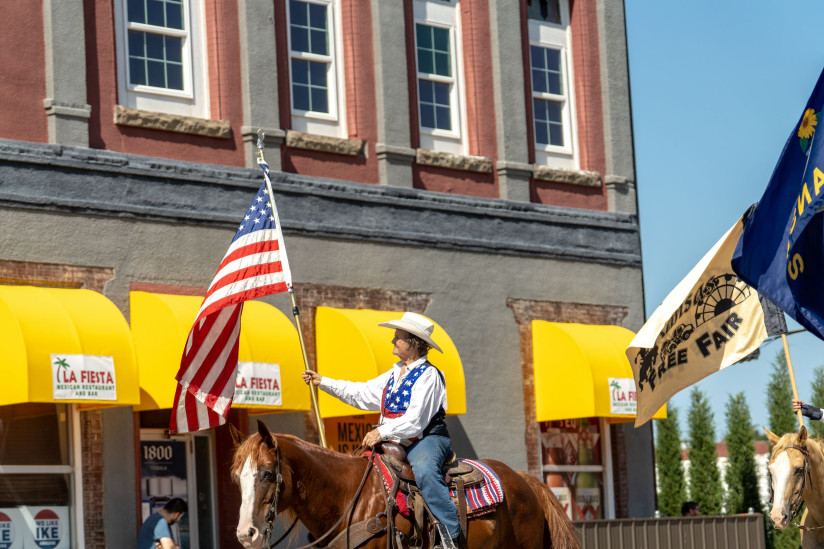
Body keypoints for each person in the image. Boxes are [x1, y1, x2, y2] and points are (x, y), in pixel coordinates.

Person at [303, 312, 460, 549]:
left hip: (426, 438)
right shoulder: (395, 373)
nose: (392, 341)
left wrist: (382, 432)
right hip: (395, 438)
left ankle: (450, 536)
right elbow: (362, 393)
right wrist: (323, 382)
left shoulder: (429, 376)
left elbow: (416, 420)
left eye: (398, 337)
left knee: (426, 471)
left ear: (414, 342)